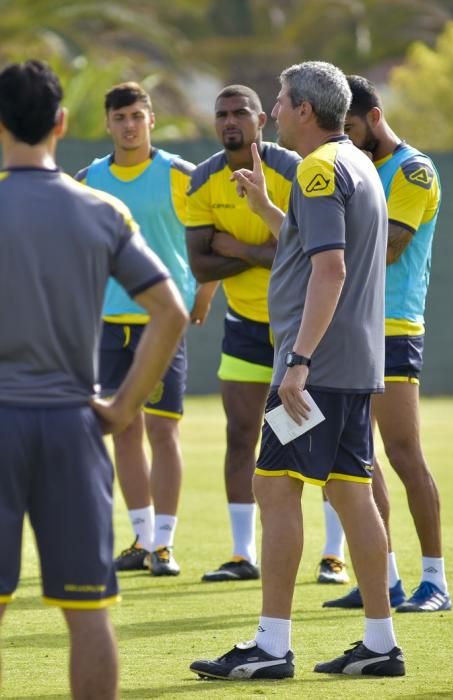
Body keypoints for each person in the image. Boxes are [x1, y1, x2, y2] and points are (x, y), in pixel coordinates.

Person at [191, 60, 406, 680]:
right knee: (351, 492)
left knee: (273, 485)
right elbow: (314, 247)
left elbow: (330, 270)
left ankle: (271, 645)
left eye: (280, 102)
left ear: (304, 111)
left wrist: (299, 361)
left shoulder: (314, 171)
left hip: (317, 367)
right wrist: (263, 205)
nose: (274, 112)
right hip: (353, 365)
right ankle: (380, 643)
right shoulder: (354, 163)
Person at [0, 60, 187, 699]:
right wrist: (122, 407)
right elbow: (170, 309)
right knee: (88, 611)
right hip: (73, 427)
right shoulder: (101, 211)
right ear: (62, 122)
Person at [321, 75, 451, 613]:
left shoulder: (414, 170)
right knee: (355, 461)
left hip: (393, 328)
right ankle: (387, 580)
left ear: (375, 117)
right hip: (352, 329)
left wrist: (321, 246)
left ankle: (436, 582)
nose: (345, 140)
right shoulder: (361, 167)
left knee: (403, 455)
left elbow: (393, 246)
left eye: (350, 128)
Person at [76, 82, 216, 577]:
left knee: (163, 430)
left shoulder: (180, 174)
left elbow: (213, 233)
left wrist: (202, 294)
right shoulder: (88, 178)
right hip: (111, 323)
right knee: (122, 428)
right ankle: (140, 537)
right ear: (108, 123)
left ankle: (164, 545)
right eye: (120, 118)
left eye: (137, 115)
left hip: (164, 321)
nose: (129, 125)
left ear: (151, 119)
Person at [185, 85, 300, 582]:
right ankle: (241, 553)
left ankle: (334, 555)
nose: (230, 121)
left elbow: (301, 251)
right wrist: (259, 251)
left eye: (240, 113)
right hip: (243, 328)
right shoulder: (203, 180)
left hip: (298, 329)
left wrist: (235, 247)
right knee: (240, 436)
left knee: (308, 441)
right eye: (222, 114)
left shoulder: (293, 170)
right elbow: (200, 264)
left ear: (261, 120)